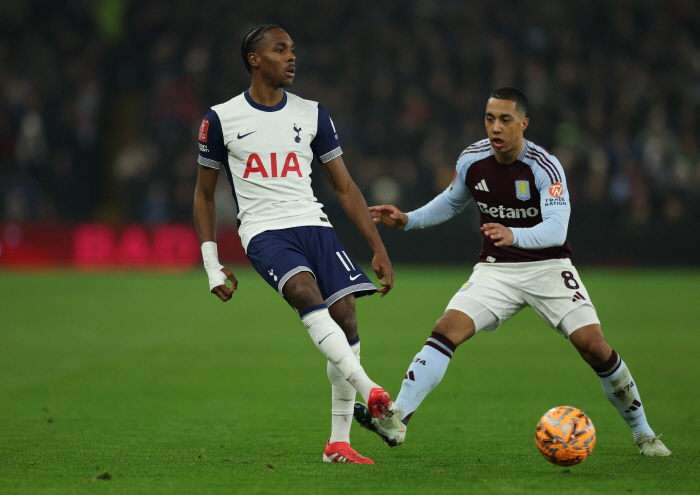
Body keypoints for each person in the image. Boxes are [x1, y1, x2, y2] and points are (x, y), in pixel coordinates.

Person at [354, 88, 671, 457]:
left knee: (595, 347)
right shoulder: (472, 159)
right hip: (497, 270)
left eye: (505, 119)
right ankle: (397, 419)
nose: (496, 127)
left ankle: (644, 433)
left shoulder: (544, 165)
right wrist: (408, 220)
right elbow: (452, 201)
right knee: (445, 329)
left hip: (548, 267)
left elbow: (557, 228)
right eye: (490, 118)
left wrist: (513, 233)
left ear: (524, 123)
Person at [193, 24, 402, 464]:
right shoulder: (221, 118)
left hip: (314, 224)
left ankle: (338, 443)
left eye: (293, 50)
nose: (292, 57)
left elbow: (344, 187)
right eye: (280, 49)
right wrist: (212, 264)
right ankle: (372, 391)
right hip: (265, 232)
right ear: (254, 59)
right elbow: (204, 194)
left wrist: (376, 245)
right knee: (306, 292)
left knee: (345, 315)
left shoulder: (312, 113)